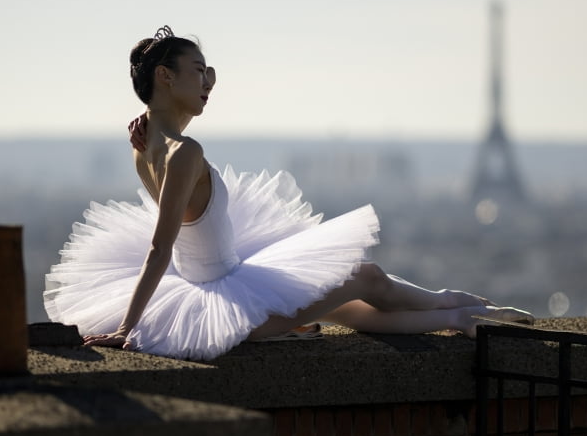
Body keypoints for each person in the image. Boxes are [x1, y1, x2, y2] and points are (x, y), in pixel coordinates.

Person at [44, 26, 532, 361]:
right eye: (198, 70)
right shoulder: (184, 152)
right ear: (164, 77)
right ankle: (462, 314)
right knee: (366, 278)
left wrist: (154, 111)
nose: (209, 83)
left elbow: (169, 238)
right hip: (231, 300)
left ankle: (463, 313)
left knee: (359, 301)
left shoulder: (145, 147)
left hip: (217, 286)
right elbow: (159, 245)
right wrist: (128, 329)